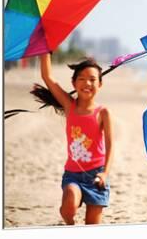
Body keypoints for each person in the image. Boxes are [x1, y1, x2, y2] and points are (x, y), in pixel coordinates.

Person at [32, 52, 114, 225]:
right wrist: (45, 50)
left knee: (92, 225)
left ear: (100, 84)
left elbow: (110, 146)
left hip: (96, 177)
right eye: (82, 79)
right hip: (73, 175)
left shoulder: (103, 113)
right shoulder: (69, 106)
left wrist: (105, 173)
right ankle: (70, 224)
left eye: (92, 79)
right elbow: (47, 76)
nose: (87, 83)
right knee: (69, 203)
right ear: (74, 83)